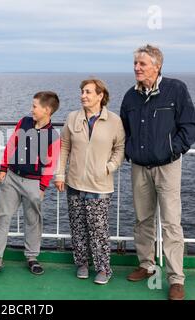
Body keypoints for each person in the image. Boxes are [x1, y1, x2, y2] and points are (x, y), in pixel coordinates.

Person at [120, 44, 195, 300]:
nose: (137, 68)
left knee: (171, 223)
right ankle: (146, 264)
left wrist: (172, 150)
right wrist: (129, 151)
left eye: (142, 64)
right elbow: (124, 130)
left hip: (167, 167)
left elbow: (190, 126)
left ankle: (176, 278)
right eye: (135, 64)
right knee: (142, 219)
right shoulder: (130, 97)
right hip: (139, 167)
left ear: (157, 66)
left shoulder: (175, 89)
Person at [54, 79, 125, 285]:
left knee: (99, 229)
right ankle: (82, 263)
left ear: (100, 96)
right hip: (75, 182)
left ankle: (104, 268)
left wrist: (109, 168)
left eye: (88, 92)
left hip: (100, 184)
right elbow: (65, 146)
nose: (83, 95)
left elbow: (119, 148)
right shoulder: (72, 117)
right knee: (78, 227)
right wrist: (60, 174)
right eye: (82, 92)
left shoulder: (113, 120)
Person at [0, 91, 61, 276]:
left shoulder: (54, 136)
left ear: (47, 109)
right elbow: (11, 145)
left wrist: (42, 187)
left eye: (35, 106)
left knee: (33, 220)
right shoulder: (24, 122)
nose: (31, 109)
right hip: (11, 177)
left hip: (34, 183)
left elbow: (50, 164)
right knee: (1, 215)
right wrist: (3, 168)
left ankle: (32, 257)